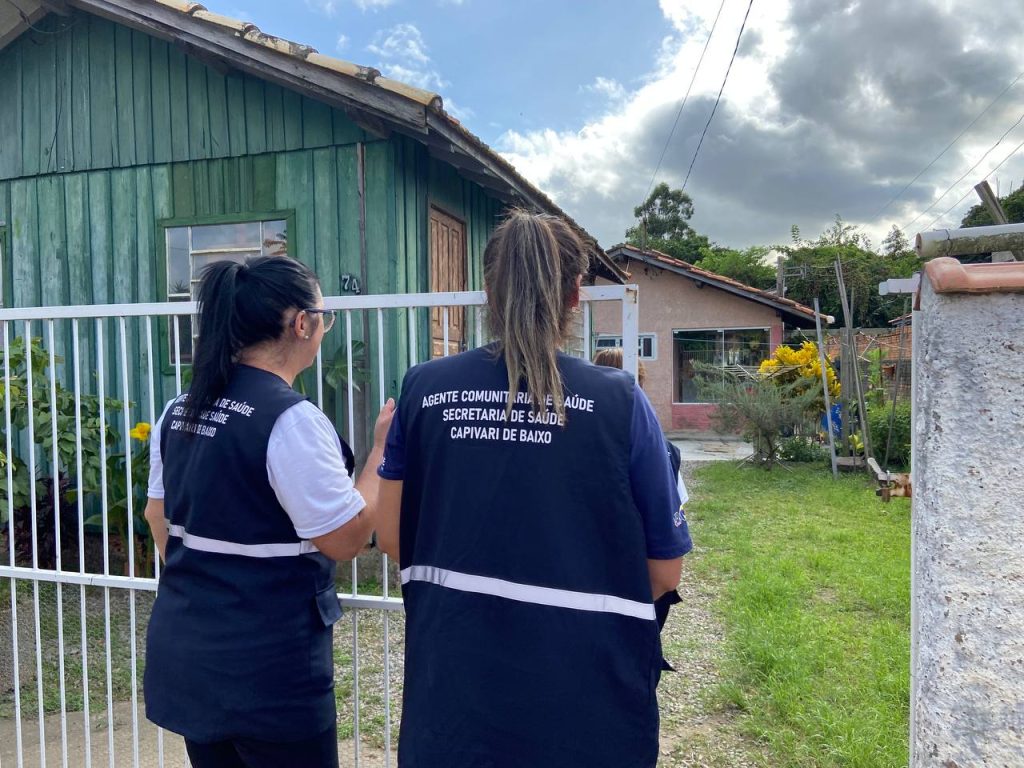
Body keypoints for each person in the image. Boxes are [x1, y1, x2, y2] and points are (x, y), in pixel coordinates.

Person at [375, 210, 693, 768]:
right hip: (585, 712)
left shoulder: (423, 389)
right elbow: (665, 572)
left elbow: (392, 536)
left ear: (489, 292)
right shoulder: (621, 402)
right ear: (575, 295)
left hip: (452, 708)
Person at [142, 255, 394, 768]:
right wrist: (379, 456)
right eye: (325, 315)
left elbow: (156, 516)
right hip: (268, 673)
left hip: (190, 654)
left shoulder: (181, 407)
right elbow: (344, 540)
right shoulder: (291, 420)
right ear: (302, 323)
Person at [592, 347, 688, 671]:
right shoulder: (664, 451)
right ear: (642, 384)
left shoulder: (575, 447)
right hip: (642, 592)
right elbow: (667, 567)